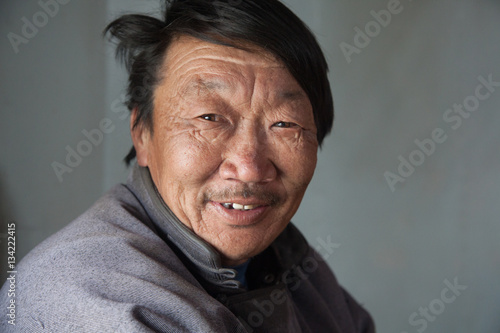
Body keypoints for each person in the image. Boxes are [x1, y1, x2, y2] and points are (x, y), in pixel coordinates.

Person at [0, 0, 375, 332]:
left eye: (285, 124)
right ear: (142, 133)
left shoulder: (290, 262)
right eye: (210, 117)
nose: (248, 167)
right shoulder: (95, 303)